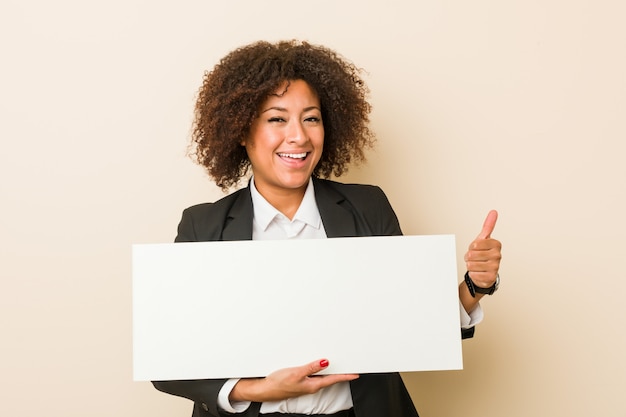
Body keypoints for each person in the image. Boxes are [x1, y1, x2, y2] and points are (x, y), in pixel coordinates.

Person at [152, 40, 502, 417]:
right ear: (241, 130)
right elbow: (169, 361)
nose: (299, 136)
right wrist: (255, 389)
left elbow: (413, 328)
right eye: (277, 118)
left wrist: (474, 286)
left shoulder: (368, 207)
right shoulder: (203, 225)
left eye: (311, 118)